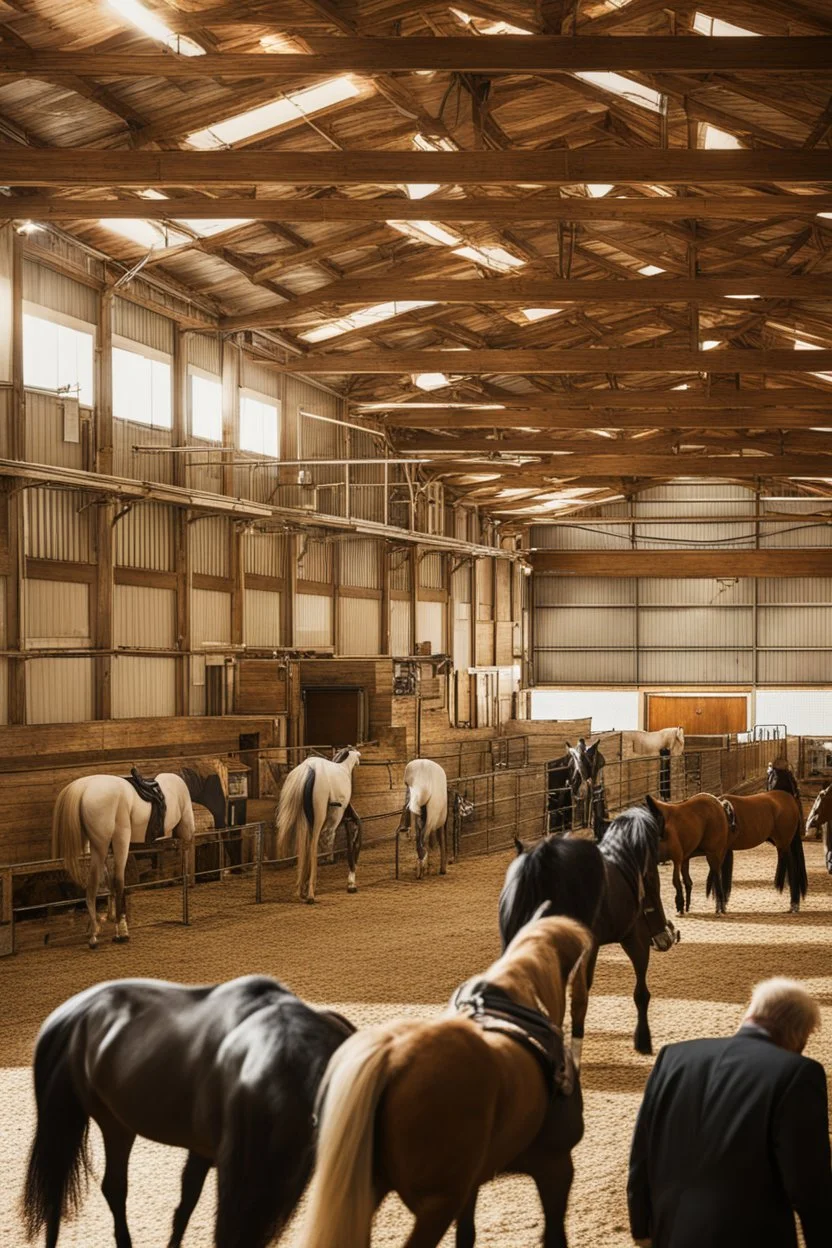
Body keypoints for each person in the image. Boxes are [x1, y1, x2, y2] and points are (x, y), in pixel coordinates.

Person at [628, 977, 832, 1248]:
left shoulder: (673, 1057)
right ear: (800, 1034)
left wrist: (640, 1226)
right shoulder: (798, 1073)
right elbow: (808, 1183)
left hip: (671, 1230)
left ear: (750, 1012)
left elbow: (642, 1148)